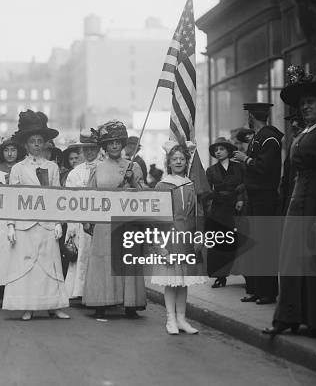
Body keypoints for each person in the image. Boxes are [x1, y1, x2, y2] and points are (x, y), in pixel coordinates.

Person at [263, 68, 316, 337]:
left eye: (311, 102)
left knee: (312, 262)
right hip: (297, 202)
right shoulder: (306, 131)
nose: (306, 106)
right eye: (303, 103)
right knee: (291, 260)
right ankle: (288, 317)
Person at [3, 110, 70, 321]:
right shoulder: (18, 169)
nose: (37, 145)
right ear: (26, 144)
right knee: (26, 266)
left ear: (45, 143)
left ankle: (54, 305)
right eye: (32, 141)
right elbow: (12, 198)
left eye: (40, 141)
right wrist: (11, 225)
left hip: (47, 224)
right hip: (25, 224)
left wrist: (59, 222)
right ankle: (27, 306)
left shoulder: (52, 167)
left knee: (50, 264)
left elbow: (57, 196)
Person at [83, 120, 147, 319]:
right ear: (104, 146)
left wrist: (133, 183)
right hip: (103, 222)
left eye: (117, 142)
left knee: (128, 259)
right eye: (109, 143)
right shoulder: (98, 168)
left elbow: (145, 194)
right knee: (103, 259)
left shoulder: (133, 166)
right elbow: (89, 195)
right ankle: (101, 302)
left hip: (127, 221)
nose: (113, 145)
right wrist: (87, 220)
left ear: (122, 144)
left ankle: (130, 304)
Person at [152, 142, 209, 334]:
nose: (178, 162)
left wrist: (199, 234)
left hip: (188, 238)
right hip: (170, 237)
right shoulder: (162, 185)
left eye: (182, 159)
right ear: (168, 161)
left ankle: (182, 319)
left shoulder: (191, 184)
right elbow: (158, 217)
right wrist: (160, 244)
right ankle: (170, 319)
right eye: (175, 159)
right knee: (171, 280)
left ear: (187, 162)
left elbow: (198, 211)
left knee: (184, 280)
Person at [232, 102, 283, 305]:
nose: (248, 119)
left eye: (249, 116)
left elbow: (266, 167)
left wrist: (246, 160)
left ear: (252, 117)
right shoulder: (259, 138)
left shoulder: (269, 137)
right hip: (255, 197)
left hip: (265, 197)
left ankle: (268, 292)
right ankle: (256, 289)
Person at [64, 131, 100, 300]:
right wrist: (71, 226)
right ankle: (78, 290)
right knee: (79, 255)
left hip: (99, 219)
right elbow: (69, 199)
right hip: (79, 220)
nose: (90, 152)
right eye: (86, 149)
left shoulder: (104, 168)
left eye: (93, 148)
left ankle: (96, 291)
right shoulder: (75, 173)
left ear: (98, 149)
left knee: (97, 255)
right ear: (82, 151)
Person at [0, 137, 25, 301]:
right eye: (6, 150)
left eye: (13, 150)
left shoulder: (23, 169)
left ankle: (16, 285)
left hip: (19, 212)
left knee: (17, 251)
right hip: (0, 214)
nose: (10, 154)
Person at [205, 137, 245, 288]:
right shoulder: (211, 171)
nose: (218, 152)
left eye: (221, 149)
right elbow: (207, 192)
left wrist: (241, 198)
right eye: (216, 150)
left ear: (228, 150)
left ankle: (247, 276)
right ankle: (220, 276)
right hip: (219, 210)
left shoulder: (240, 167)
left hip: (237, 208)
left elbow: (245, 184)